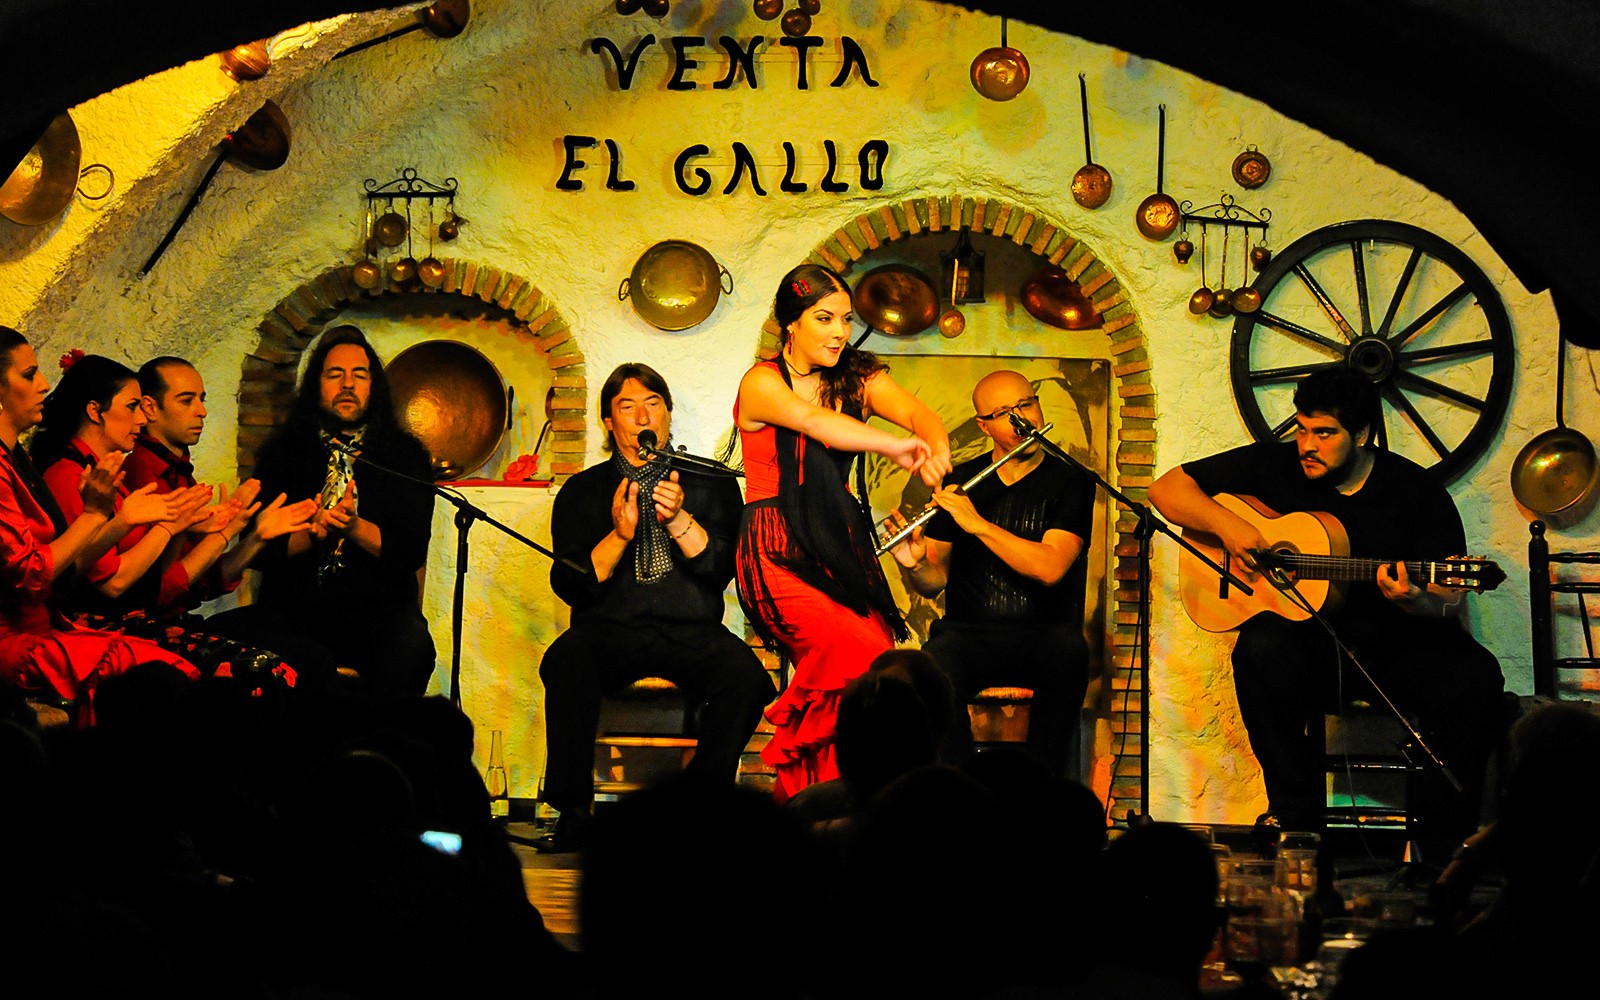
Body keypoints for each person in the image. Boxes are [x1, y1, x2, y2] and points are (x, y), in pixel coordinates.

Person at [1147, 367, 1504, 856]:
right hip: (1312, 645)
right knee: (1261, 649)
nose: (1306, 444)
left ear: (1361, 435)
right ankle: (1297, 824)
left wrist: (1416, 599)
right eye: (1301, 427)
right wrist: (1228, 526)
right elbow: (1166, 490)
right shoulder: (1275, 466)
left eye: (1324, 433)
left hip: (1396, 644)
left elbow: (1448, 599)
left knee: (1477, 675)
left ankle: (1439, 841)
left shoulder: (1415, 492)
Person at [734, 263, 951, 803]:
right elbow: (813, 423)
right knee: (847, 647)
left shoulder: (857, 376)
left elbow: (917, 413)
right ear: (792, 323)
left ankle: (848, 800)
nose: (839, 332)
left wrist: (933, 443)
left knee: (877, 659)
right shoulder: (761, 382)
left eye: (846, 320)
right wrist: (889, 445)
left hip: (837, 539)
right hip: (776, 546)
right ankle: (825, 801)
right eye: (824, 318)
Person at [540, 363, 775, 852]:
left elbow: (720, 570)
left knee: (748, 681)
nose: (641, 414)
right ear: (609, 422)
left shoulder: (712, 483)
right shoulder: (582, 490)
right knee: (564, 660)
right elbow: (570, 583)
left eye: (653, 403)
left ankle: (702, 804)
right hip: (611, 628)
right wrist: (621, 534)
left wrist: (679, 519)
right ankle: (573, 809)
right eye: (627, 406)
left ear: (668, 415)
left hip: (691, 631)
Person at [206, 325, 437, 696]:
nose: (347, 384)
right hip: (296, 609)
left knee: (411, 649)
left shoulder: (404, 457)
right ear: (317, 385)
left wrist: (354, 528)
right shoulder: (283, 453)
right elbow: (261, 554)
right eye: (335, 375)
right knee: (220, 635)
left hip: (378, 611)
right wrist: (312, 533)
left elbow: (409, 553)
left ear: (373, 386)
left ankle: (375, 751)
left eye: (359, 375)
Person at [886, 369, 1096, 776]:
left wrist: (977, 523)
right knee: (933, 664)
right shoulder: (959, 481)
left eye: (1026, 405)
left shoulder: (1071, 481)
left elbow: (1050, 567)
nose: (1021, 419)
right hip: (969, 634)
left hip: (1046, 633)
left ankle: (1039, 796)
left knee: (1069, 655)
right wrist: (913, 565)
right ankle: (964, 794)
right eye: (1004, 412)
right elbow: (934, 583)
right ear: (984, 424)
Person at [0, 326, 200, 719]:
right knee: (176, 676)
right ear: (95, 411)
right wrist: (122, 520)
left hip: (49, 626)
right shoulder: (63, 472)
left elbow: (80, 569)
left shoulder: (18, 460)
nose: (43, 385)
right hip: (19, 638)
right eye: (28, 375)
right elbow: (45, 574)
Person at [31, 354, 221, 620]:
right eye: (133, 406)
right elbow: (112, 584)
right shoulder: (70, 475)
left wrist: (178, 525)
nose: (142, 419)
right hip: (100, 629)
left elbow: (152, 576)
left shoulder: (103, 472)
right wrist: (173, 526)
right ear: (95, 411)